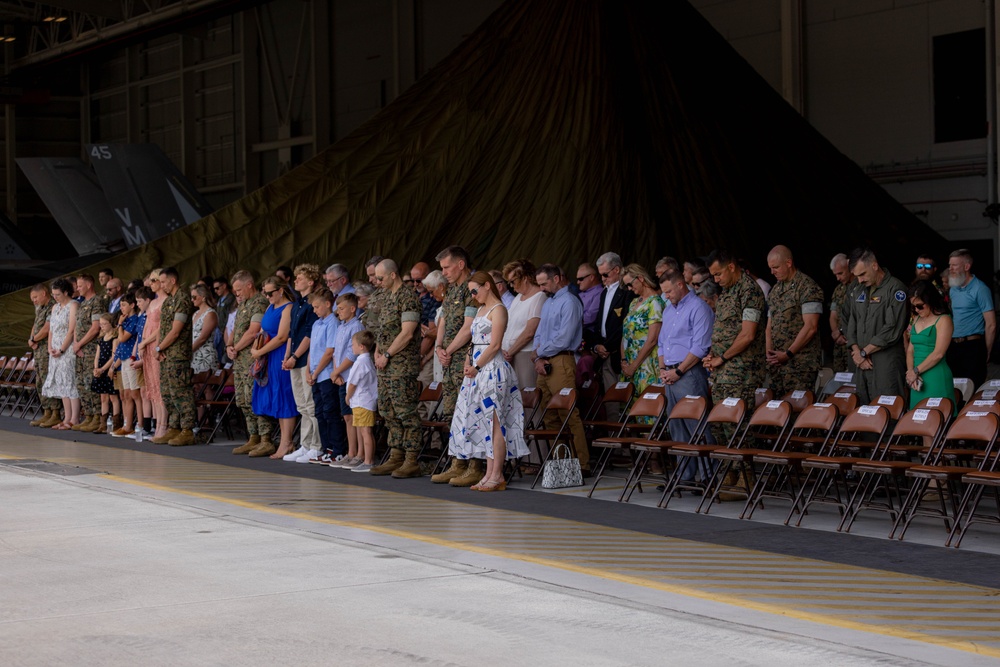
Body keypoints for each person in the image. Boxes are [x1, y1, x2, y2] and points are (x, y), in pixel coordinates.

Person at [448, 271, 527, 491]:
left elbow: (494, 345)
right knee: (484, 423)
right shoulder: (481, 310)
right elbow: (473, 341)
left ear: (487, 286)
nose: (473, 295)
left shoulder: (498, 310)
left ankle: (497, 474)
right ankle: (489, 473)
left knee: (495, 423)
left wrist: (477, 366)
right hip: (477, 369)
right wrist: (467, 363)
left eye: (475, 290)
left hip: (492, 368)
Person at [703, 249, 766, 445]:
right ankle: (729, 470)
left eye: (718, 274)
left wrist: (721, 358)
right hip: (721, 371)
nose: (715, 280)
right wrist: (712, 355)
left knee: (736, 424)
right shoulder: (727, 291)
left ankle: (744, 473)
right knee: (718, 423)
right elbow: (723, 330)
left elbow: (748, 335)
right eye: (713, 275)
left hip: (741, 371)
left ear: (731, 267)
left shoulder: (749, 291)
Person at [659, 270, 716, 482]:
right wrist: (663, 370)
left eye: (669, 291)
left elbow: (701, 345)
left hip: (688, 372)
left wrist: (679, 371)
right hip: (670, 373)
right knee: (677, 426)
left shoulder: (699, 308)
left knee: (696, 425)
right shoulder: (668, 310)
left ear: (681, 285)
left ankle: (709, 474)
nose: (666, 296)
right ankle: (685, 475)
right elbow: (662, 342)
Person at [532, 263, 589, 472]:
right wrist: (538, 357)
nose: (541, 289)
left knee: (568, 413)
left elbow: (564, 338)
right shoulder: (548, 303)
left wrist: (539, 353)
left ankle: (582, 463)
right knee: (549, 414)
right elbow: (539, 332)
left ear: (556, 278)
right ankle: (563, 461)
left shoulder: (570, 302)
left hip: (561, 360)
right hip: (545, 361)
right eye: (539, 285)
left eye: (544, 283)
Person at [431, 246, 480, 485]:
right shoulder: (451, 291)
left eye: (447, 267)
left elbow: (469, 326)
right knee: (452, 414)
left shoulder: (473, 288)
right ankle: (457, 462)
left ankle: (474, 465)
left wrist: (447, 351)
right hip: (449, 361)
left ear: (461, 264)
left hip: (465, 360)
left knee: (470, 412)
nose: (444, 273)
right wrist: (439, 347)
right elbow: (443, 321)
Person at [370, 259, 423, 477]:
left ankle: (411, 459)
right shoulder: (386, 298)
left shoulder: (407, 297)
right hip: (385, 366)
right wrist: (377, 351)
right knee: (387, 411)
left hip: (401, 366)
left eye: (380, 278)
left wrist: (388, 354)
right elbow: (382, 330)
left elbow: (407, 333)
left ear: (393, 275)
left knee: (406, 412)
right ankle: (396, 456)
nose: (377, 281)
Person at [845, 248, 909, 405]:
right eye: (856, 276)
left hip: (886, 362)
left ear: (874, 266)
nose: (859, 280)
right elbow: (850, 322)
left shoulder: (896, 289)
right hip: (861, 363)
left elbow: (892, 328)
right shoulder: (856, 289)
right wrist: (857, 353)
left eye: (862, 274)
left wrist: (863, 352)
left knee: (888, 407)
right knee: (864, 409)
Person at [228, 271, 277, 456]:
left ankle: (266, 439)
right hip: (239, 360)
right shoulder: (243, 304)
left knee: (255, 398)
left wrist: (236, 348)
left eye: (239, 290)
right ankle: (253, 437)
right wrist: (229, 345)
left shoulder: (259, 302)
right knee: (242, 400)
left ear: (249, 285)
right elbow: (235, 329)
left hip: (252, 359)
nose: (237, 294)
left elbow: (253, 331)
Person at [764, 245, 824, 397]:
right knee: (776, 412)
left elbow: (811, 327)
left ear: (789, 263)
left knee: (798, 411)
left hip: (800, 366)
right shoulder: (775, 290)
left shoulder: (807, 287)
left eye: (776, 267)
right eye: (770, 268)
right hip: (777, 365)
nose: (772, 272)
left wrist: (788, 354)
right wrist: (769, 354)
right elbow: (769, 326)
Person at [250, 276, 298, 458]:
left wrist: (259, 351)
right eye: (265, 292)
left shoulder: (287, 307)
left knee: (284, 396)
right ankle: (286, 441)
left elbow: (282, 336)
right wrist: (257, 346)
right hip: (268, 355)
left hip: (278, 355)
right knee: (277, 398)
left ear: (280, 291)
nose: (267, 296)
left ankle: (287, 442)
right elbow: (264, 330)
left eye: (270, 293)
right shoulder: (271, 306)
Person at [281, 264, 322, 463]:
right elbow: (291, 333)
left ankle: (315, 445)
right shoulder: (297, 303)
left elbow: (309, 333)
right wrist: (287, 356)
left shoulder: (311, 304)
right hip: (294, 358)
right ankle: (305, 444)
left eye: (300, 278)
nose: (296, 281)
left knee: (310, 403)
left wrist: (295, 356)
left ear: (311, 281)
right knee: (302, 405)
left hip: (305, 359)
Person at [154, 267, 197, 446]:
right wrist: (160, 349)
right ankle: (174, 427)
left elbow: (176, 330)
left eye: (163, 282)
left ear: (172, 281)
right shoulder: (168, 301)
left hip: (178, 354)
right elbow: (162, 328)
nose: (161, 285)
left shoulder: (182, 299)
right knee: (167, 392)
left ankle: (187, 429)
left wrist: (159, 348)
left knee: (181, 392)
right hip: (166, 354)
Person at [947, 249, 995, 389]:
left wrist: (987, 352)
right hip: (954, 346)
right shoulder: (953, 289)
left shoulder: (980, 289)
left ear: (966, 267)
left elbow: (991, 324)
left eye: (954, 265)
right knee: (954, 390)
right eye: (950, 265)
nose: (950, 269)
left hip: (973, 347)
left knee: (973, 389)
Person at [594, 252, 635, 418]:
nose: (602, 278)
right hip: (605, 354)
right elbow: (600, 323)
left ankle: (626, 441)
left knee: (626, 402)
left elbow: (625, 325)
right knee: (611, 403)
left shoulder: (627, 291)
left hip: (620, 354)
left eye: (605, 274)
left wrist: (609, 347)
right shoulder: (604, 292)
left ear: (617, 270)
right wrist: (597, 345)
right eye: (600, 275)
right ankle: (613, 441)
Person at [328, 292, 365, 467]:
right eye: (337, 308)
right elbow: (336, 351)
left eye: (341, 308)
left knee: (353, 416)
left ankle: (357, 453)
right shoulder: (342, 326)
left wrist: (338, 372)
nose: (338, 312)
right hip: (341, 376)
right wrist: (336, 372)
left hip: (350, 376)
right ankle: (351, 452)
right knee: (347, 416)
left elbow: (352, 353)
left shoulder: (356, 326)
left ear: (352, 308)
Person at [305, 288, 342, 463]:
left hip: (325, 374)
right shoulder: (316, 323)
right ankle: (326, 447)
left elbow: (329, 352)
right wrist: (308, 370)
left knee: (330, 411)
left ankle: (337, 448)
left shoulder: (332, 323)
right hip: (315, 374)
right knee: (319, 412)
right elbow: (312, 350)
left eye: (317, 307)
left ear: (328, 304)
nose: (314, 310)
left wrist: (316, 372)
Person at [907, 280, 955, 410]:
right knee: (917, 419)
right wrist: (910, 372)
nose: (916, 309)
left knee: (938, 416)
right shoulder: (916, 318)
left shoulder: (944, 319)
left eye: (920, 306)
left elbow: (938, 353)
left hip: (935, 374)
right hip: (916, 377)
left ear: (930, 301)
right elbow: (910, 350)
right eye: (913, 307)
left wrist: (915, 371)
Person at [501, 259, 546, 391]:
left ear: (525, 278)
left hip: (525, 355)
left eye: (513, 281)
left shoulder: (539, 297)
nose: (511, 286)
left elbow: (530, 332)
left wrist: (509, 352)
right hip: (510, 355)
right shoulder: (518, 297)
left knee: (527, 397)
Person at [71, 274, 107, 432]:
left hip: (91, 349)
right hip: (80, 349)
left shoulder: (97, 301)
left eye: (79, 285)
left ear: (89, 285)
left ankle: (98, 417)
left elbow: (95, 328)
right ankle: (89, 416)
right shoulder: (82, 303)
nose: (77, 288)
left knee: (91, 383)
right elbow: (76, 327)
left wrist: (79, 344)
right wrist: (75, 345)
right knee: (81, 383)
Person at [42, 278, 80, 430]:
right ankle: (66, 417)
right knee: (62, 383)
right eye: (53, 294)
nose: (55, 297)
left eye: (58, 294)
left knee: (70, 382)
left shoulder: (73, 305)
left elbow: (71, 329)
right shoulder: (55, 307)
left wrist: (62, 349)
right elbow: (51, 329)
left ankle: (74, 418)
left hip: (67, 348)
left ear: (66, 292)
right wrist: (50, 347)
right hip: (55, 348)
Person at [620, 264, 663, 393]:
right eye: (626, 286)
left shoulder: (654, 302)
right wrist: (624, 361)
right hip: (629, 364)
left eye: (630, 284)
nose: (629, 288)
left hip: (645, 364)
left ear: (640, 278)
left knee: (646, 406)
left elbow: (652, 339)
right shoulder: (634, 302)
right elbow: (625, 333)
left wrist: (633, 366)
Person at [137, 270, 166, 440]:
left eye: (154, 281)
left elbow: (161, 327)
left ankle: (163, 425)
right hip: (147, 344)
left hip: (156, 344)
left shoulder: (166, 301)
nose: (152, 284)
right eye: (150, 281)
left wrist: (146, 342)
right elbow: (147, 324)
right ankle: (157, 425)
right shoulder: (153, 302)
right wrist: (142, 343)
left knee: (160, 386)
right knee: (152, 386)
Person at [28, 283, 61, 428]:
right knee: (40, 381)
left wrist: (35, 339)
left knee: (49, 379)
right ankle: (46, 412)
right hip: (38, 349)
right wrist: (31, 339)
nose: (34, 301)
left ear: (43, 293)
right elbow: (36, 325)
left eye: (35, 297)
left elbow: (47, 328)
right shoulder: (40, 308)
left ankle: (55, 413)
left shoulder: (52, 306)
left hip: (47, 349)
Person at [346, 330, 378, 473]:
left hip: (363, 401)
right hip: (361, 401)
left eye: (353, 344)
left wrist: (348, 396)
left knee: (366, 431)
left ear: (362, 346)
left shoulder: (362, 362)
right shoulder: (365, 361)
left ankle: (368, 461)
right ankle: (365, 458)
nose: (351, 347)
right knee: (363, 430)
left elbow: (353, 383)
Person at [111, 293, 143, 438]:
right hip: (123, 358)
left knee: (135, 393)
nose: (121, 308)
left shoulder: (134, 320)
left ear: (132, 305)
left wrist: (119, 325)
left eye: (124, 305)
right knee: (126, 393)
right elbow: (119, 340)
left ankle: (140, 425)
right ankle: (127, 424)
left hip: (132, 358)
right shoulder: (126, 320)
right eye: (120, 305)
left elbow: (123, 337)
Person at [130, 287, 153, 438]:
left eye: (139, 301)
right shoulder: (141, 315)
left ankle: (152, 426)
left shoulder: (149, 316)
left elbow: (147, 339)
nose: (137, 304)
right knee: (143, 392)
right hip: (139, 356)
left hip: (148, 357)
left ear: (148, 300)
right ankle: (145, 425)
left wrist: (142, 359)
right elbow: (139, 338)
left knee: (150, 393)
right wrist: (134, 356)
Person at [92, 313, 120, 432]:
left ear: (111, 324)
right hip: (100, 369)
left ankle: (116, 423)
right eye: (101, 324)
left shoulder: (115, 339)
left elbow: (113, 356)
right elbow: (97, 356)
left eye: (104, 324)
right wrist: (96, 368)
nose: (102, 326)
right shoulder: (101, 339)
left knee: (113, 397)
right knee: (103, 398)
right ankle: (103, 423)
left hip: (108, 368)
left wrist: (103, 369)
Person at [829, 253, 856, 372]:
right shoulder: (838, 290)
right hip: (840, 344)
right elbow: (833, 316)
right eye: (835, 275)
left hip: (854, 343)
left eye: (840, 273)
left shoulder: (861, 287)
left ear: (849, 267)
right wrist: (836, 333)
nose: (838, 278)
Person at [190, 284, 220, 374]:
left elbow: (203, 338)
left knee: (205, 385)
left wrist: (188, 351)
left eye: (194, 297)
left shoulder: (210, 314)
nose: (192, 300)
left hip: (205, 355)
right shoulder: (195, 314)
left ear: (203, 297)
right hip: (194, 354)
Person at [575, 262, 603, 331]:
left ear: (591, 277)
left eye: (581, 279)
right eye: (577, 279)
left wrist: (569, 320)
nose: (578, 282)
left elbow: (590, 317)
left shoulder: (600, 293)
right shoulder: (580, 294)